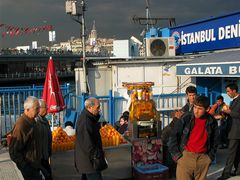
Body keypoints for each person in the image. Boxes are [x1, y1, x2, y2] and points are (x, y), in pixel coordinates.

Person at [168, 95, 219, 180]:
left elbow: (215, 140)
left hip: (203, 158)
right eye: (195, 107)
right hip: (185, 157)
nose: (196, 111)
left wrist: (210, 157)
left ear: (207, 109)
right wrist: (177, 156)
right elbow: (173, 137)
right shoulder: (186, 118)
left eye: (200, 109)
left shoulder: (211, 121)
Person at [161, 85, 197, 177]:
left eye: (194, 95)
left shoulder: (198, 107)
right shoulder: (185, 108)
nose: (192, 97)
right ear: (187, 96)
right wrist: (177, 116)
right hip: (182, 136)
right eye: (190, 95)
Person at [9, 96, 43, 180]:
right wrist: (25, 167)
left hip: (36, 165)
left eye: (39, 108)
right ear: (27, 109)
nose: (39, 111)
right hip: (29, 167)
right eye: (36, 109)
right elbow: (13, 151)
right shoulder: (21, 125)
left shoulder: (33, 121)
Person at [74, 97, 105, 180]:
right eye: (97, 107)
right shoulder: (85, 122)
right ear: (89, 108)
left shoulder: (89, 119)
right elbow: (88, 145)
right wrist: (97, 156)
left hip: (87, 162)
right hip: (90, 162)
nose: (99, 110)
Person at [218, 83, 240, 180]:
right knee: (237, 153)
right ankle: (238, 171)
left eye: (228, 91)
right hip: (232, 129)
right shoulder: (233, 101)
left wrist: (229, 112)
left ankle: (225, 173)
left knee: (231, 153)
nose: (227, 93)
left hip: (236, 131)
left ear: (234, 90)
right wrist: (225, 114)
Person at [35, 99, 52, 180]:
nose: (47, 109)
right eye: (46, 107)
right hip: (39, 157)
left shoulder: (45, 120)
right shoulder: (36, 121)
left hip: (45, 155)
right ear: (39, 108)